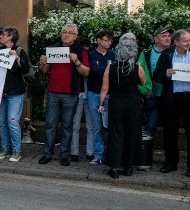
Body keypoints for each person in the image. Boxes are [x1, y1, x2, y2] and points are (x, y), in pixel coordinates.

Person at [153, 29, 190, 177]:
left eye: (189, 40)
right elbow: (156, 74)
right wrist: (166, 74)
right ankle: (171, 162)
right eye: (185, 40)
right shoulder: (166, 55)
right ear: (176, 42)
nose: (188, 42)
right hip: (173, 98)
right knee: (170, 131)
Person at [38, 23, 90, 166]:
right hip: (53, 92)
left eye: (70, 32)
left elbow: (86, 72)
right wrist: (43, 63)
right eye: (64, 32)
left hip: (70, 93)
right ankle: (47, 154)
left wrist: (77, 61)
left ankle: (64, 155)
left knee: (67, 125)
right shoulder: (54, 48)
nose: (66, 34)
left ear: (76, 36)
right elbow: (45, 70)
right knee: (50, 124)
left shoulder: (81, 51)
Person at [100, 39, 145, 178]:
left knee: (116, 135)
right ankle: (128, 166)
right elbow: (143, 82)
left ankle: (114, 166)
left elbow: (105, 88)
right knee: (132, 134)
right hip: (133, 103)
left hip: (116, 103)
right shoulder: (137, 67)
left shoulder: (111, 67)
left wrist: (101, 104)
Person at [0, 26, 30, 162]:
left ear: (11, 38)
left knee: (12, 122)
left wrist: (17, 58)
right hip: (2, 93)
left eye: (4, 35)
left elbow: (26, 69)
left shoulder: (19, 50)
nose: (1, 36)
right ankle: (5, 149)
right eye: (1, 34)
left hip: (15, 92)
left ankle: (16, 151)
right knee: (2, 122)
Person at [85, 30, 115, 166]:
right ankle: (98, 155)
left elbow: (113, 72)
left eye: (110, 40)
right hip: (94, 93)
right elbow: (94, 71)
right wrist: (107, 69)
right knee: (96, 126)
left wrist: (104, 69)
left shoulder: (113, 54)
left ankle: (111, 154)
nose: (109, 42)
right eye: (106, 39)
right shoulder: (91, 54)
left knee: (110, 126)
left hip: (110, 93)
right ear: (98, 40)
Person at [137, 27, 172, 140]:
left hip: (170, 94)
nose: (167, 38)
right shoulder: (147, 54)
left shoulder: (175, 52)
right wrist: (144, 90)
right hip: (152, 92)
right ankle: (148, 135)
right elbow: (139, 71)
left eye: (169, 36)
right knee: (152, 114)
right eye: (164, 36)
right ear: (156, 39)